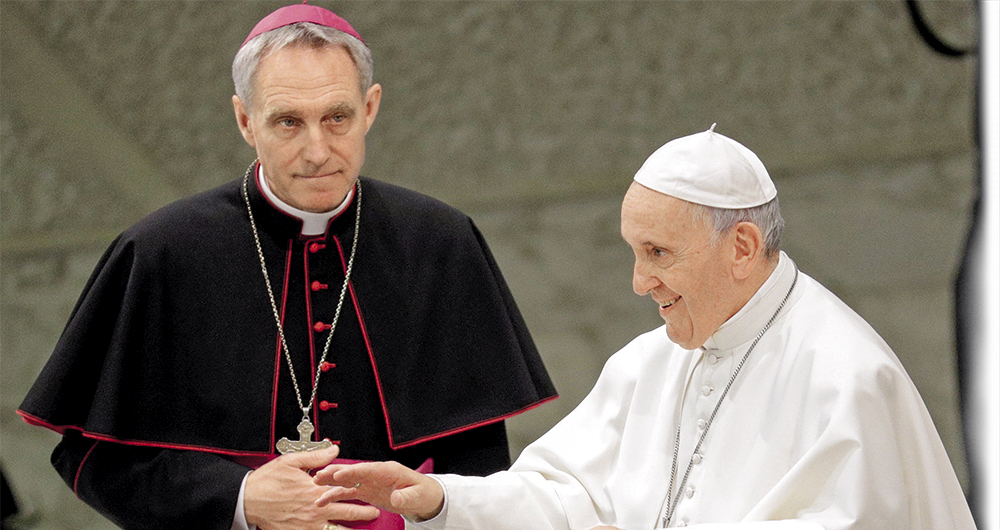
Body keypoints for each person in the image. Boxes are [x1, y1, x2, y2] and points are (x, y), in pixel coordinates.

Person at [16, 4, 556, 530]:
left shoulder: (440, 243)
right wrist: (240, 499)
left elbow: (478, 456)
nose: (318, 150)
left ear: (370, 108)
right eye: (288, 122)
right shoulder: (160, 253)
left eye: (337, 118)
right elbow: (92, 459)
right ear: (246, 120)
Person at [312, 125, 977, 530]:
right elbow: (565, 497)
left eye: (658, 254)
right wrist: (436, 498)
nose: (637, 282)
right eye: (634, 252)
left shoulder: (847, 374)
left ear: (742, 248)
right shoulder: (649, 364)